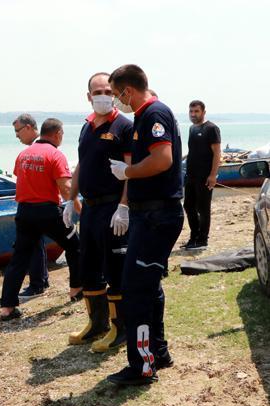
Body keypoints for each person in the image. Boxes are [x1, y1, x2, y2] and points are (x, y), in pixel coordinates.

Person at [107, 64, 183, 385]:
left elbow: (163, 159)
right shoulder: (144, 115)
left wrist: (128, 173)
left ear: (128, 90)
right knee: (150, 287)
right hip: (150, 215)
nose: (114, 101)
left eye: (115, 94)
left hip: (156, 216)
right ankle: (158, 352)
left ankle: (142, 367)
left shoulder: (153, 114)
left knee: (135, 291)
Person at [66, 72, 133, 351]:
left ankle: (120, 329)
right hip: (90, 208)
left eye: (108, 91)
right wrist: (70, 199)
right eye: (97, 92)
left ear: (115, 94)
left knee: (115, 270)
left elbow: (131, 171)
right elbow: (81, 165)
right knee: (88, 267)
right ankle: (97, 323)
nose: (103, 95)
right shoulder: (86, 126)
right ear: (88, 96)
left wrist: (124, 206)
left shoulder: (124, 126)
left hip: (113, 207)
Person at [0, 118, 81, 321]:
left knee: (19, 259)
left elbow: (22, 178)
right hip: (47, 212)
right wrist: (79, 210)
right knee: (75, 246)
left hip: (25, 212)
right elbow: (66, 188)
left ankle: (7, 308)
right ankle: (76, 290)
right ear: (57, 134)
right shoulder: (56, 155)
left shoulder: (23, 155)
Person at [12, 114, 51, 298]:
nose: (17, 136)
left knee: (31, 245)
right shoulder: (41, 148)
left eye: (18, 131)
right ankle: (42, 279)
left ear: (28, 128)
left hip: (34, 204)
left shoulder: (35, 150)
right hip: (41, 203)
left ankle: (37, 284)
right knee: (37, 243)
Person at [183, 100, 221, 250]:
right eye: (191, 112)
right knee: (188, 206)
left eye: (196, 111)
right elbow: (193, 151)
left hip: (205, 176)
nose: (193, 114)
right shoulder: (192, 128)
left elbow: (217, 153)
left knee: (203, 208)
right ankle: (194, 236)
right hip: (191, 175)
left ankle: (202, 239)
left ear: (203, 112)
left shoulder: (211, 128)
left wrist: (213, 175)